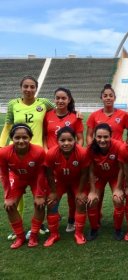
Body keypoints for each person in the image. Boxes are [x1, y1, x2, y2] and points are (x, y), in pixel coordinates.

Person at [0, 75, 54, 240]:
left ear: (36, 88)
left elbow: (60, 111)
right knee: (17, 191)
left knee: (40, 192)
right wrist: (2, 145)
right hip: (17, 150)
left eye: (32, 87)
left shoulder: (44, 103)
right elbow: (8, 126)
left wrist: (76, 113)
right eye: (26, 86)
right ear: (21, 87)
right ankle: (20, 226)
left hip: (38, 154)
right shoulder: (12, 104)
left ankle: (40, 225)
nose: (29, 89)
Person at [0, 124, 48, 249]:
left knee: (40, 203)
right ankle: (20, 237)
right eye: (17, 137)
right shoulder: (3, 152)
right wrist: (8, 195)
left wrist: (39, 195)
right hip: (17, 178)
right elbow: (4, 175)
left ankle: (33, 235)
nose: (21, 141)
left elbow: (41, 173)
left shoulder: (39, 151)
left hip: (35, 178)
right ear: (12, 138)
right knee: (9, 206)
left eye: (25, 137)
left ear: (30, 138)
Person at [43, 87, 84, 233]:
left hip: (70, 160)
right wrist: (47, 151)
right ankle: (55, 219)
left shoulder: (75, 116)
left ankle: (72, 221)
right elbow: (43, 136)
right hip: (53, 162)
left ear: (69, 100)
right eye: (58, 98)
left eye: (63, 98)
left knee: (73, 196)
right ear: (54, 99)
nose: (60, 101)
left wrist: (74, 153)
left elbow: (79, 138)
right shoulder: (47, 115)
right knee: (52, 195)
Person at [44, 126, 90, 246]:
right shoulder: (51, 153)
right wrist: (53, 192)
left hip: (77, 181)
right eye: (62, 140)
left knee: (80, 202)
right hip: (60, 181)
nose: (66, 143)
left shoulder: (83, 152)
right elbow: (49, 175)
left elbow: (85, 174)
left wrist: (80, 192)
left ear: (75, 140)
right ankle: (54, 234)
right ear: (57, 141)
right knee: (51, 203)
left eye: (70, 140)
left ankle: (78, 233)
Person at [86, 123, 125, 241]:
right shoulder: (90, 148)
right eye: (99, 137)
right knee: (92, 200)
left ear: (111, 136)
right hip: (99, 176)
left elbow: (122, 169)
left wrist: (118, 188)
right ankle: (94, 228)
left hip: (115, 176)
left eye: (105, 137)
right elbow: (91, 171)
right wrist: (92, 191)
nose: (102, 140)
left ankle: (118, 229)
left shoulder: (119, 146)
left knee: (118, 199)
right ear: (94, 136)